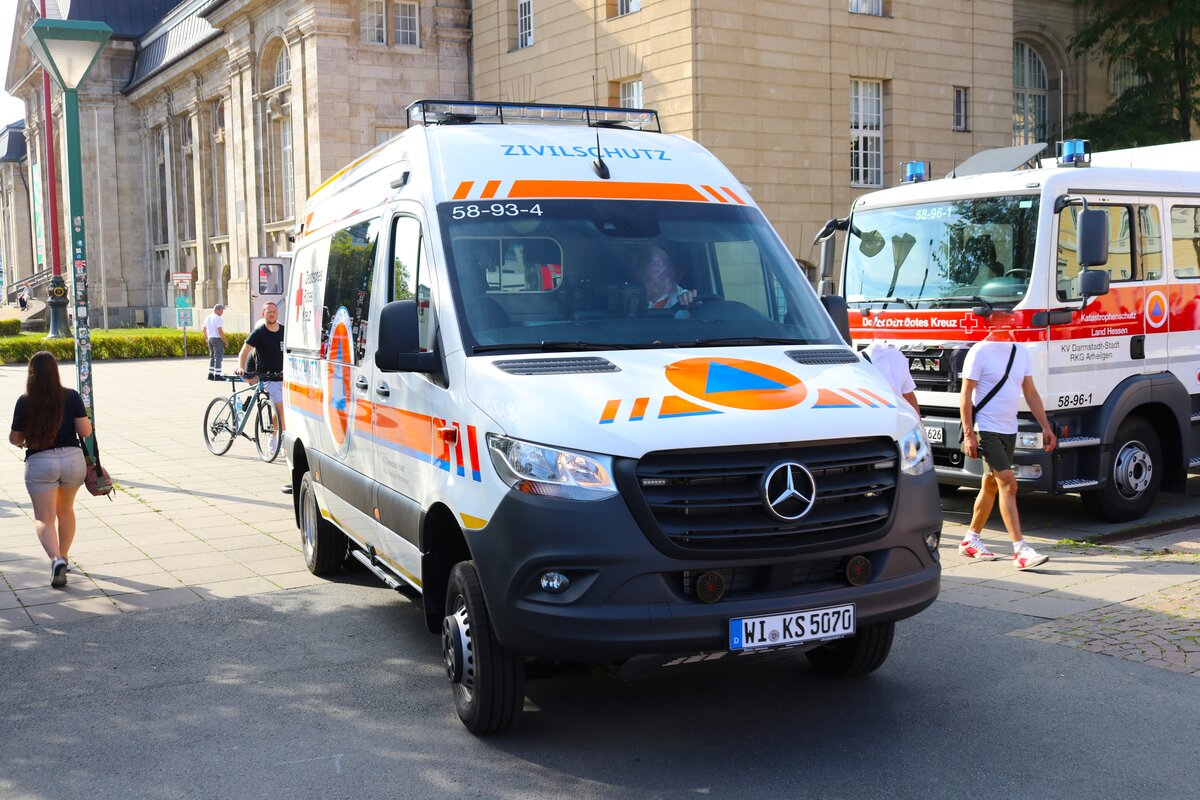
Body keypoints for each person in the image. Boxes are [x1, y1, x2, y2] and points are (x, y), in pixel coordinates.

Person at [958, 320, 1057, 570]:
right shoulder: (979, 351)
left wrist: (1045, 426)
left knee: (990, 484)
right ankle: (1020, 550)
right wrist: (969, 434)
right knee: (1008, 484)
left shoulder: (1020, 351)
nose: (1010, 322)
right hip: (986, 429)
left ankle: (970, 540)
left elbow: (1031, 392)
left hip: (1009, 429)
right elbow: (965, 395)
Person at [8, 351, 91, 588]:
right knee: (65, 510)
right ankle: (64, 556)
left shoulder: (25, 401)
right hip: (73, 460)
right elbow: (85, 431)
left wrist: (25, 438)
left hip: (40, 462)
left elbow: (15, 438)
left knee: (44, 517)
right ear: (55, 371)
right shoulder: (72, 396)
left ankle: (55, 560)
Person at [237, 302, 288, 491]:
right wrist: (241, 366)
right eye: (269, 312)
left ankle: (280, 436)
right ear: (263, 313)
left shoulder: (284, 331)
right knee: (279, 407)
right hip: (267, 377)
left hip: (284, 376)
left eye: (274, 312)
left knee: (285, 410)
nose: (272, 314)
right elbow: (245, 350)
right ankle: (276, 439)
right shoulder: (259, 332)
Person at [862, 339, 919, 414]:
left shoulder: (860, 359)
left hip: (874, 415)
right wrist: (919, 421)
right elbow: (908, 394)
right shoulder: (899, 357)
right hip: (898, 416)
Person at [633, 246, 697, 310]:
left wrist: (692, 306)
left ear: (670, 273)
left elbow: (695, 307)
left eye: (649, 279)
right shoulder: (631, 300)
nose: (644, 284)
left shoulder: (685, 298)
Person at [202, 303, 228, 380]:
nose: (222, 312)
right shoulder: (217, 318)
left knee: (212, 356)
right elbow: (220, 331)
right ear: (216, 310)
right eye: (221, 310)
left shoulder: (208, 317)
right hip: (216, 338)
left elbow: (204, 330)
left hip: (210, 338)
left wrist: (207, 339)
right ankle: (217, 375)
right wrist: (225, 340)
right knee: (218, 356)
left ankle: (210, 374)